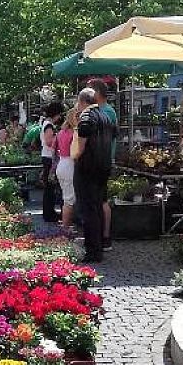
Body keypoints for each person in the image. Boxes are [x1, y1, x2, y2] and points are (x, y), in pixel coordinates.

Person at [72, 88, 115, 263]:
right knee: (97, 207)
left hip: (87, 168)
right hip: (103, 167)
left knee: (88, 209)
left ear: (82, 102)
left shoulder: (87, 118)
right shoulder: (105, 116)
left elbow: (79, 149)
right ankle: (99, 247)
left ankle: (92, 250)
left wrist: (74, 155)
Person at [87, 78, 118, 252]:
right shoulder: (100, 110)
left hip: (103, 160)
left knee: (102, 199)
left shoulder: (107, 111)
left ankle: (106, 236)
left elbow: (110, 137)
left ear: (97, 93)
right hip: (98, 160)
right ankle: (99, 234)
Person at [54, 108, 78, 227]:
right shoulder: (74, 133)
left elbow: (53, 146)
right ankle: (66, 228)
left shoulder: (60, 132)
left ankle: (66, 225)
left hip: (61, 163)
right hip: (69, 164)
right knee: (69, 200)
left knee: (66, 197)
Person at [41, 102, 64, 222]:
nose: (60, 117)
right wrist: (59, 137)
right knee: (50, 186)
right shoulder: (49, 125)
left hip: (47, 157)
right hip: (49, 157)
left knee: (49, 186)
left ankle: (49, 212)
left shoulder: (46, 123)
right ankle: (49, 214)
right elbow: (49, 141)